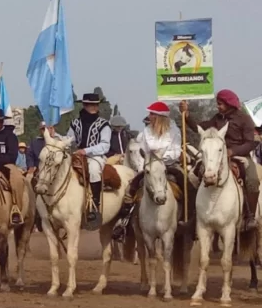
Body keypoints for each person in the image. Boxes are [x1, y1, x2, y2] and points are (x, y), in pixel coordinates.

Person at [180, 89, 259, 231]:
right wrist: (187, 116)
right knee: (192, 176)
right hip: (215, 156)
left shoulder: (244, 119)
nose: (218, 106)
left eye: (220, 104)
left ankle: (250, 216)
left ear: (229, 104)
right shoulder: (217, 119)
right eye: (218, 104)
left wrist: (232, 151)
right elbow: (200, 128)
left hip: (240, 155)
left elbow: (251, 143)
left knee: (252, 179)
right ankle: (194, 215)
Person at [112, 101, 185, 239]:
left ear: (159, 116)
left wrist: (160, 157)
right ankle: (124, 222)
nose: (149, 116)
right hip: (150, 167)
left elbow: (176, 152)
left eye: (152, 114)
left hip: (169, 165)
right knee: (131, 188)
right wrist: (148, 164)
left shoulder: (174, 131)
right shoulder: (146, 131)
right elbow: (143, 151)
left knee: (187, 183)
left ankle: (188, 218)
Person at [66, 93, 112, 230]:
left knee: (93, 170)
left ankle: (95, 205)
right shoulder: (75, 123)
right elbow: (69, 140)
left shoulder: (104, 124)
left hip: (96, 156)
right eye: (90, 104)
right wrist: (54, 136)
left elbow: (105, 145)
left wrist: (86, 151)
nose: (93, 107)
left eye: (95, 104)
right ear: (84, 105)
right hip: (78, 155)